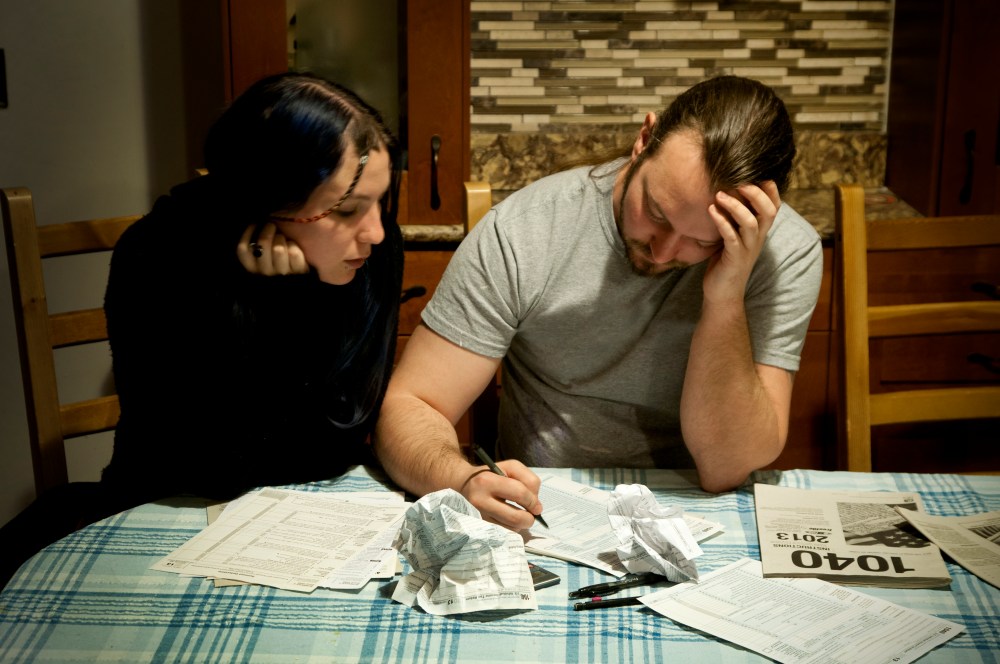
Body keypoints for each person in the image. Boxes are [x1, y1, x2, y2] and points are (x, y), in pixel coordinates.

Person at [1, 72, 402, 587]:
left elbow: (342, 425)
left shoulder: (372, 250)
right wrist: (278, 303)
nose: (374, 230)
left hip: (325, 519)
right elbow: (209, 461)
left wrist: (311, 294)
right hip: (169, 512)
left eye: (380, 201)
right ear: (268, 205)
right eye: (347, 210)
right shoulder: (159, 255)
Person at [373, 75, 823, 531]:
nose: (664, 252)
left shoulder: (784, 252)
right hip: (545, 507)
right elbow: (409, 405)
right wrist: (462, 477)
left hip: (698, 512)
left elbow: (725, 467)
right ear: (644, 140)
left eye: (703, 241)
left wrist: (726, 295)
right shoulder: (527, 230)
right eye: (656, 213)